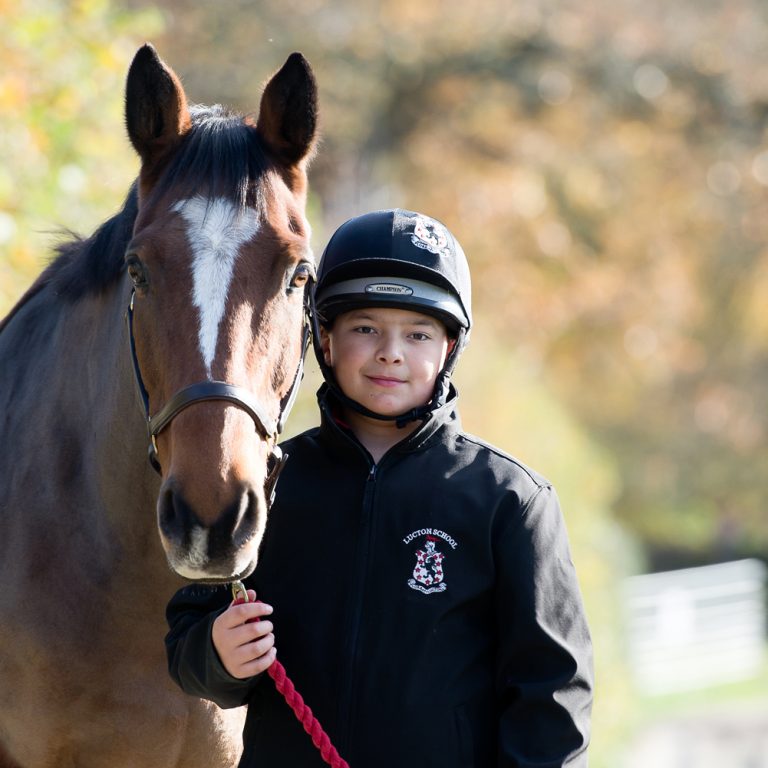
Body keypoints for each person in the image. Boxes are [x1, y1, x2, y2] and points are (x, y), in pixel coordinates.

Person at [165, 209, 593, 767]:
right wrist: (217, 655)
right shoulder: (262, 486)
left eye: (417, 333)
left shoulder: (509, 501)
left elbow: (552, 691)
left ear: (449, 348)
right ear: (324, 337)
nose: (391, 352)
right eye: (365, 328)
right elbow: (187, 634)